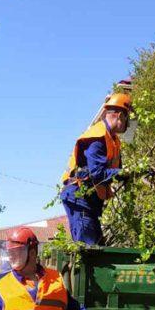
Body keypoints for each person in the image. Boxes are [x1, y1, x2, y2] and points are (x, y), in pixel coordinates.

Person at [59, 92, 133, 245]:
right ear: (120, 116)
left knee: (98, 245)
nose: (129, 124)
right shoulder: (98, 136)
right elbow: (97, 174)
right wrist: (124, 173)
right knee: (89, 248)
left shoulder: (113, 140)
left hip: (91, 201)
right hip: (79, 197)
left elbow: (117, 171)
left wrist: (134, 173)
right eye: (128, 118)